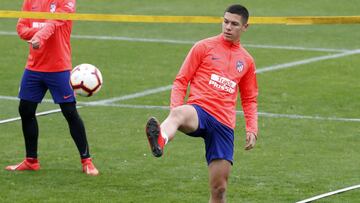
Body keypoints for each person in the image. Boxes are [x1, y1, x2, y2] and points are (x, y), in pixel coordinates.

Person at [145, 4, 258, 202]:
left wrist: (252, 128)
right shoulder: (203, 47)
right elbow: (181, 80)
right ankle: (160, 138)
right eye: (225, 22)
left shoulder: (247, 61)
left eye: (234, 24)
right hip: (199, 112)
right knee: (179, 114)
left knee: (219, 189)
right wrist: (175, 109)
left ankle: (165, 133)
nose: (228, 27)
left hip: (223, 124)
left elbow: (249, 99)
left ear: (245, 27)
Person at [5, 0, 99, 176]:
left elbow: (55, 23)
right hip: (34, 67)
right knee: (25, 110)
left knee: (70, 112)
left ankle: (87, 161)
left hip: (59, 68)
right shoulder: (30, 1)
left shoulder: (67, 1)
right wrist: (38, 32)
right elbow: (21, 28)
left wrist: (39, 35)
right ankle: (31, 160)